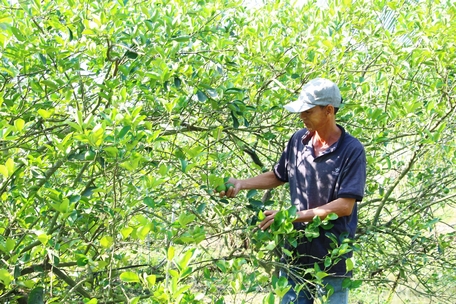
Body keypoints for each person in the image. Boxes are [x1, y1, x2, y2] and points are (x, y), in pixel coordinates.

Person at [218, 78, 367, 304]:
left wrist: (290, 216)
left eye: (308, 111)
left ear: (328, 110)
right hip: (295, 249)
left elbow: (344, 206)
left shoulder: (351, 150)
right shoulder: (298, 140)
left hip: (332, 255)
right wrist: (241, 183)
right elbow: (279, 175)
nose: (302, 116)